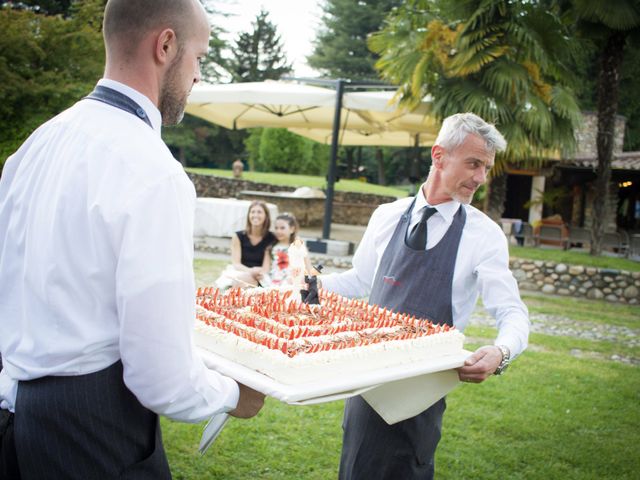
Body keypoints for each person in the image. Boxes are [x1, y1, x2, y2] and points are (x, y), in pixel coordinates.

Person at [0, 1, 265, 478]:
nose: (198, 77)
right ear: (165, 45)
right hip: (92, 433)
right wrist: (233, 396)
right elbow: (160, 376)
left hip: (13, 420)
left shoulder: (34, 146)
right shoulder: (154, 171)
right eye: (199, 58)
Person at [320, 112, 530, 480]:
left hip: (420, 398)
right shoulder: (387, 215)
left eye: (486, 168)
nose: (481, 178)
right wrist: (309, 286)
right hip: (366, 383)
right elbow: (358, 281)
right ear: (439, 156)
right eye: (474, 164)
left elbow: (512, 312)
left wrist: (502, 352)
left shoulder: (484, 235)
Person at [215, 201, 276, 289]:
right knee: (241, 280)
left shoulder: (271, 238)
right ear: (248, 215)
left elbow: (266, 267)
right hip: (241, 270)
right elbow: (236, 263)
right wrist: (250, 271)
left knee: (249, 282)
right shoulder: (238, 236)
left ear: (266, 216)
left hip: (261, 274)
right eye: (252, 212)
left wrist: (257, 273)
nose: (255, 215)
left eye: (259, 212)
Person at [265, 213, 313, 287]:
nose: (278, 231)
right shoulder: (271, 248)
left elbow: (308, 266)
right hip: (274, 279)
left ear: (292, 229)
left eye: (282, 228)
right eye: (276, 228)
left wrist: (311, 279)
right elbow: (266, 269)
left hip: (293, 279)